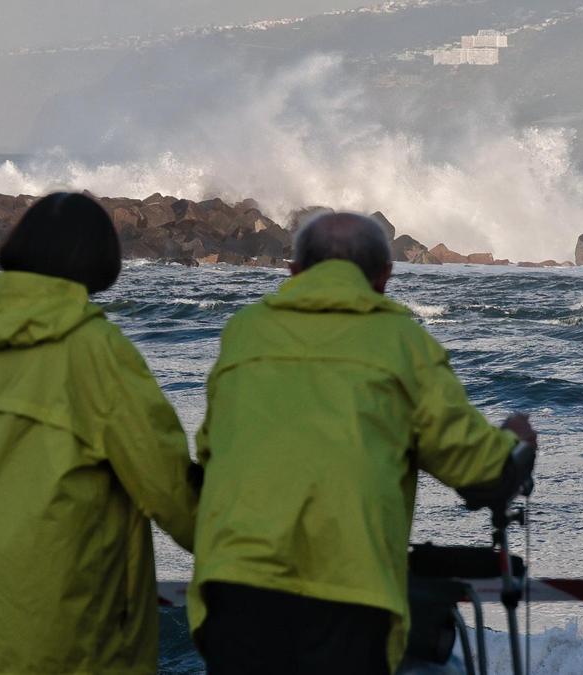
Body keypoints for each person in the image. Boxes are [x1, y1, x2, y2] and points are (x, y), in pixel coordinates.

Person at [188, 212, 537, 674]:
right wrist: (517, 442)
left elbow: (210, 455)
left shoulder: (243, 333)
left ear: (293, 272)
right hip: (348, 597)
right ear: (385, 277)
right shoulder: (401, 342)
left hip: (233, 591)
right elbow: (480, 473)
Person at [0, 193, 200, 675]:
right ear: (98, 260)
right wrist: (247, 550)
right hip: (61, 627)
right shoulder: (95, 350)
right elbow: (168, 488)